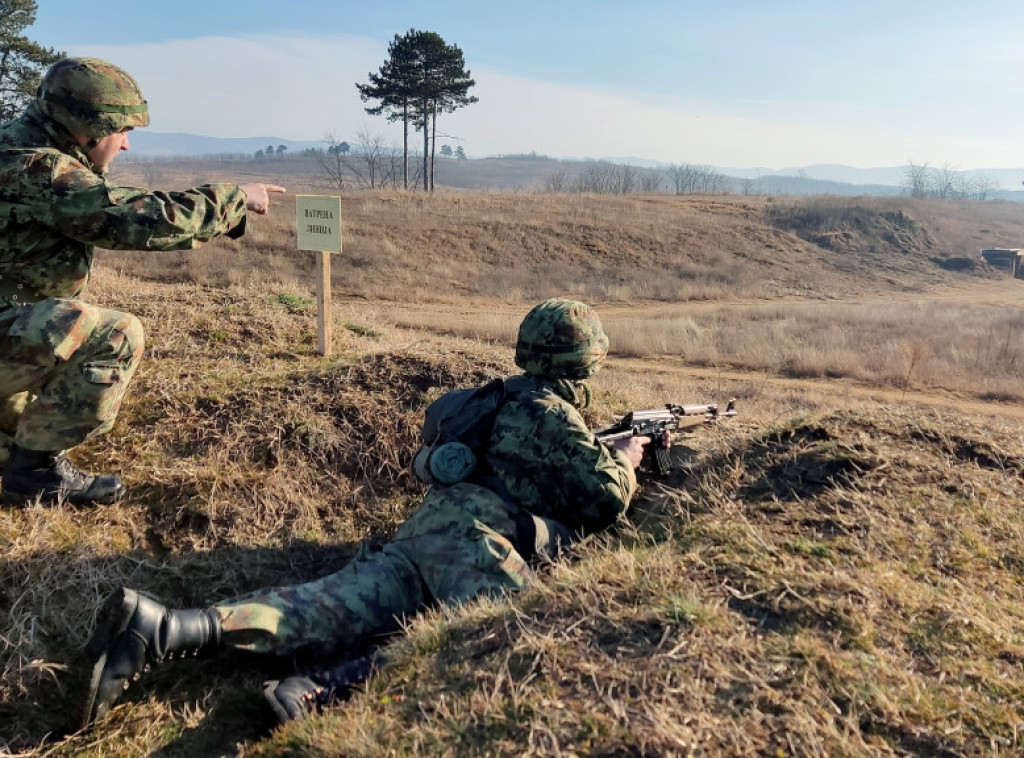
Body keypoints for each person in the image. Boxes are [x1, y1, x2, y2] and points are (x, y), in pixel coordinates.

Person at [81, 298, 654, 726]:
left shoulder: (498, 396)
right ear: (586, 363)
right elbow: (603, 501)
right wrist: (626, 459)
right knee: (498, 636)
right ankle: (318, 689)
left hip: (425, 531)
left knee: (322, 606)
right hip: (474, 542)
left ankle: (168, 628)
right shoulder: (552, 413)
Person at [0, 57, 286, 506]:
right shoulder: (41, 171)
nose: (127, 146)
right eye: (123, 131)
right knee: (113, 334)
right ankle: (34, 474)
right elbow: (144, 220)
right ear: (87, 127)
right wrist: (234, 197)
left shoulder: (13, 145)